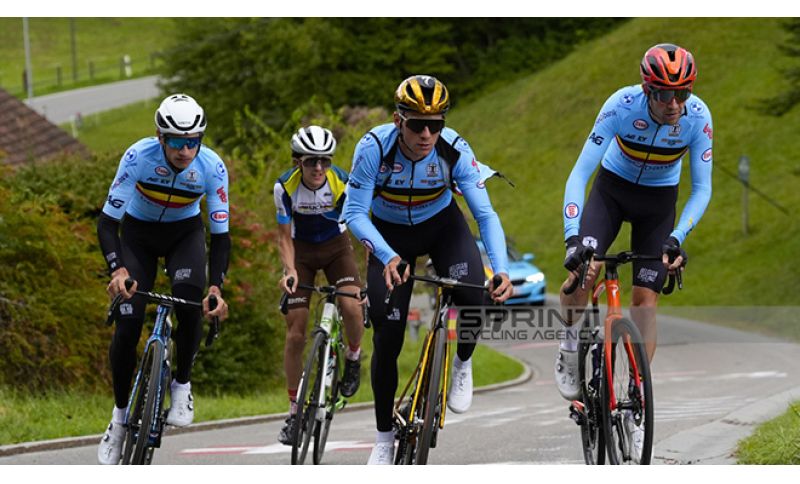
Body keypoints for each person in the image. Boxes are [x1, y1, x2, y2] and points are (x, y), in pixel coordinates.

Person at [342, 74, 513, 464]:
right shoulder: (373, 148)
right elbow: (355, 213)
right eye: (417, 124)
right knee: (388, 336)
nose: (426, 134)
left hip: (442, 228)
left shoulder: (454, 150)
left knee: (472, 294)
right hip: (389, 237)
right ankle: (383, 439)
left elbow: (485, 215)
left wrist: (501, 269)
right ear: (398, 120)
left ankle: (463, 362)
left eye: (435, 125)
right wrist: (387, 255)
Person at [556, 44, 712, 458]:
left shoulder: (698, 117)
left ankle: (636, 401)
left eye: (683, 93)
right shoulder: (621, 106)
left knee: (645, 300)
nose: (674, 104)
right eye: (664, 94)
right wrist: (573, 237)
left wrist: (677, 237)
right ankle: (569, 345)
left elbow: (702, 188)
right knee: (583, 275)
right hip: (611, 193)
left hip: (658, 206)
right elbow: (579, 174)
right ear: (647, 89)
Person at [95, 93, 230, 464]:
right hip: (137, 236)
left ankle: (181, 384)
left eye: (193, 142)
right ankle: (119, 419)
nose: (185, 151)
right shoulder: (138, 157)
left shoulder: (212, 167)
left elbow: (221, 237)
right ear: (160, 136)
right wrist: (117, 270)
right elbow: (107, 223)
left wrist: (216, 287)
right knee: (127, 324)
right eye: (175, 142)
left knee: (191, 303)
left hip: (184, 235)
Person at [274, 126, 366, 445]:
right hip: (301, 254)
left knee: (352, 306)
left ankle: (353, 356)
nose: (318, 168)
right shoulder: (284, 187)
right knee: (295, 333)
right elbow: (284, 237)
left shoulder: (342, 182)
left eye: (325, 161)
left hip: (336, 249)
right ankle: (294, 411)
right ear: (297, 162)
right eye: (311, 161)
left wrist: (370, 272)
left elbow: (360, 225)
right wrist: (289, 270)